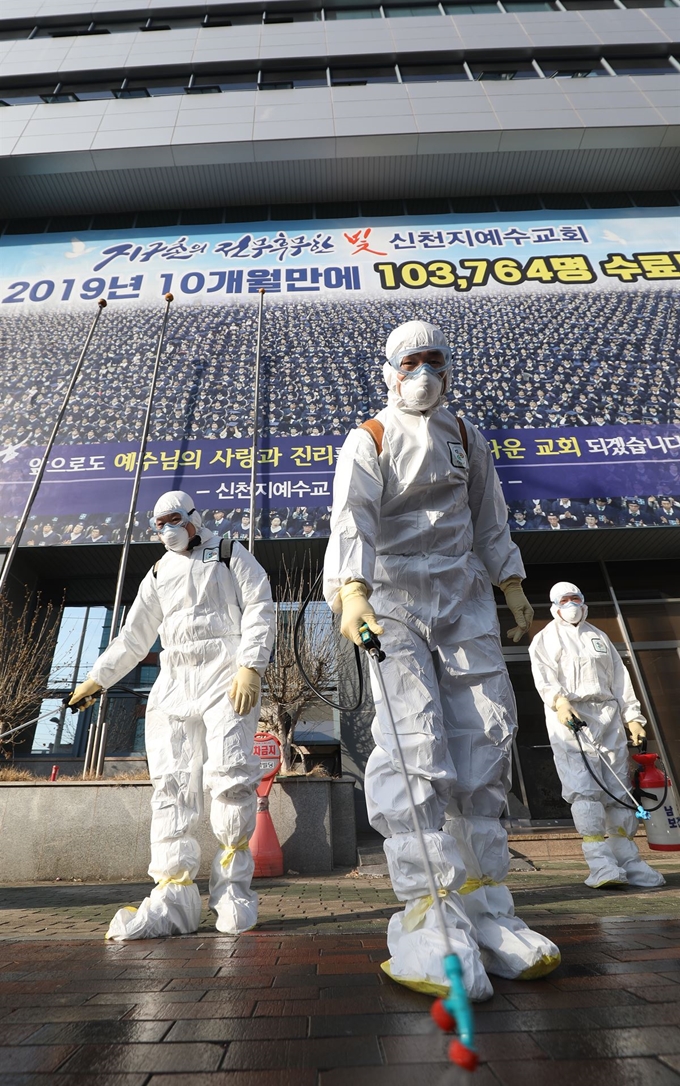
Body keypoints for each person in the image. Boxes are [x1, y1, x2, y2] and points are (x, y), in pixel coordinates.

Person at [324, 320, 560, 1003]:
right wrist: (353, 591)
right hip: (392, 597)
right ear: (390, 371)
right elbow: (352, 519)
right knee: (413, 738)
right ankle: (428, 912)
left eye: (434, 360)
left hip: (462, 592)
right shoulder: (368, 438)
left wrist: (511, 583)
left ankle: (488, 906)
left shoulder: (464, 435)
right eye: (411, 362)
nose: (424, 372)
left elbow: (490, 514)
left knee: (486, 735)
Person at [68, 490, 275, 940]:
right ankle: (172, 898)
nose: (166, 530)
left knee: (230, 776)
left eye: (173, 520)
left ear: (193, 519)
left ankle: (233, 892)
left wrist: (251, 665)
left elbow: (260, 605)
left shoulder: (228, 553)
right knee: (171, 786)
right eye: (158, 524)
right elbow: (133, 637)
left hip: (227, 678)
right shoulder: (158, 571)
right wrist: (96, 679)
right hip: (175, 682)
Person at [529, 581, 664, 890]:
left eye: (575, 598)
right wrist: (559, 702)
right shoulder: (545, 639)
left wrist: (633, 716)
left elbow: (620, 680)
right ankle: (600, 863)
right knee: (584, 788)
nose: (572, 604)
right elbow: (544, 676)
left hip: (608, 716)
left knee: (619, 789)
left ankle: (628, 860)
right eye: (565, 600)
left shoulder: (599, 637)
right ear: (554, 605)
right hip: (572, 717)